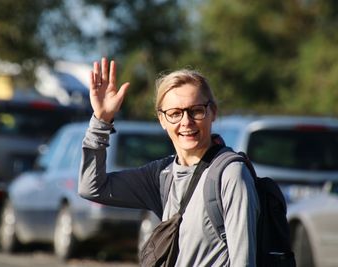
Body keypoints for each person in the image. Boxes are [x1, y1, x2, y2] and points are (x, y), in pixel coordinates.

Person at [78, 57, 260, 266]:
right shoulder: (162, 175)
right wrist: (101, 122)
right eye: (175, 113)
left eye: (196, 111)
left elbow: (244, 261)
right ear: (162, 120)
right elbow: (92, 188)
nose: (186, 122)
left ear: (213, 113)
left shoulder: (229, 174)